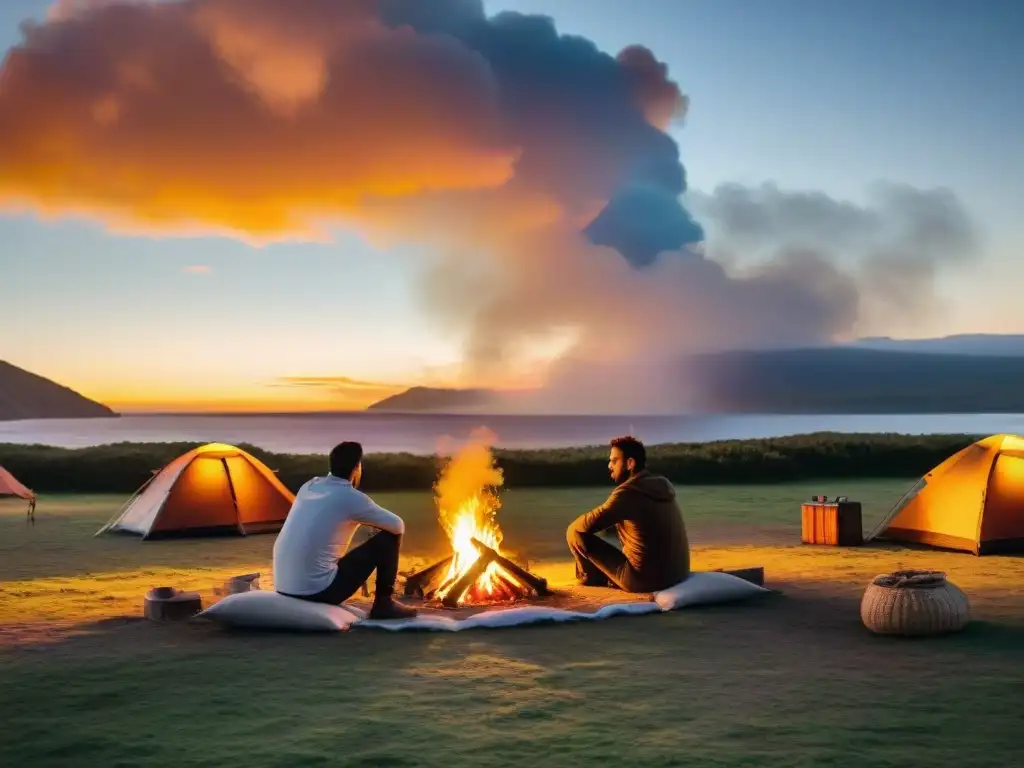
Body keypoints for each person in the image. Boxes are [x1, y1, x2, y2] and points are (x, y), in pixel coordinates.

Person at [273, 441, 417, 620]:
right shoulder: (352, 498)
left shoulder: (309, 485)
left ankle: (384, 603)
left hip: (284, 585)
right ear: (357, 467)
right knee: (388, 538)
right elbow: (397, 525)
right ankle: (384, 604)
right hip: (319, 591)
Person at [566, 436, 690, 593]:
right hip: (677, 573)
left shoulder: (627, 493)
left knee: (574, 533)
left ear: (630, 463)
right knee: (613, 528)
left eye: (614, 461)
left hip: (645, 581)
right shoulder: (659, 485)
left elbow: (582, 527)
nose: (609, 466)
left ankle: (590, 579)